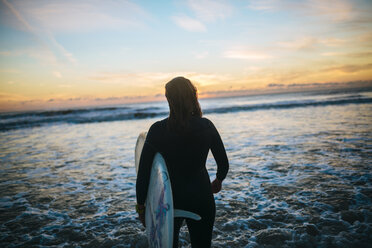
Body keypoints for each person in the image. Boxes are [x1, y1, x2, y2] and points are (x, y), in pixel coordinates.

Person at [136, 76, 229, 248]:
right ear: (193, 96)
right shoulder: (207, 125)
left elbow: (143, 175)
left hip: (169, 200)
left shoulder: (157, 130)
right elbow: (223, 164)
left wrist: (141, 208)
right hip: (202, 197)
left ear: (169, 99)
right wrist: (218, 180)